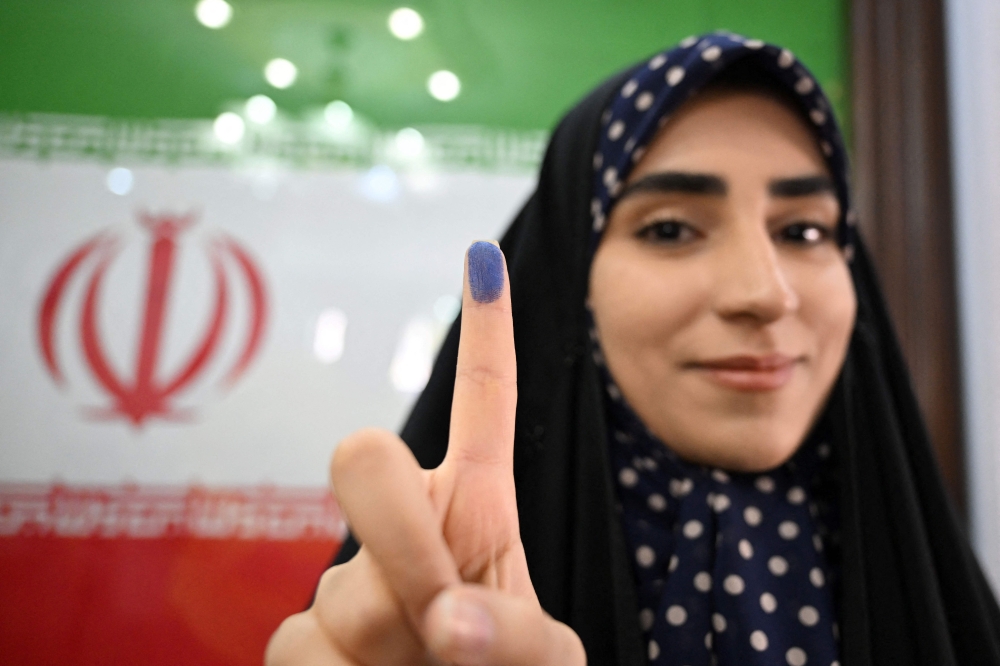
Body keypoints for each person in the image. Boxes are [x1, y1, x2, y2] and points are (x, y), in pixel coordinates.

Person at [265, 33, 1000, 666]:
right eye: (670, 229)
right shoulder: (468, 568)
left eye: (804, 230)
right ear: (570, 283)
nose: (766, 294)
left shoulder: (921, 572)